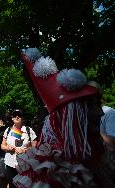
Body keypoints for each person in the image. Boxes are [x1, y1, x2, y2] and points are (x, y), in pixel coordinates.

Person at [13, 48, 105, 187]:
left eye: (97, 105)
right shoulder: (52, 171)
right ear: (69, 118)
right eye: (91, 107)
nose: (100, 113)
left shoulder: (97, 155)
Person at [1, 109, 37, 188]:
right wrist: (9, 148)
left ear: (22, 118)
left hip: (25, 164)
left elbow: (35, 147)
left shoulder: (28, 130)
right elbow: (2, 146)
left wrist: (26, 150)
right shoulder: (8, 130)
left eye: (19, 115)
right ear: (12, 118)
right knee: (12, 185)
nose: (17, 117)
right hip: (10, 164)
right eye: (14, 115)